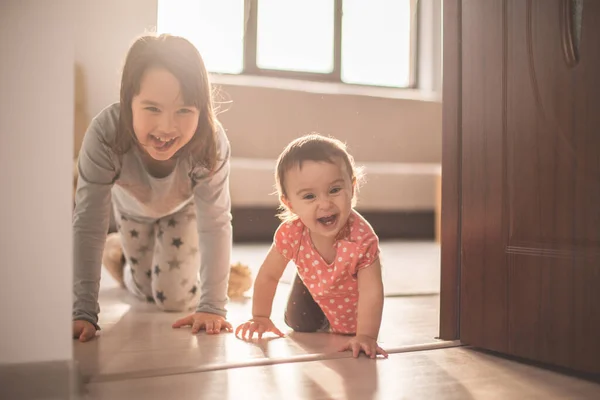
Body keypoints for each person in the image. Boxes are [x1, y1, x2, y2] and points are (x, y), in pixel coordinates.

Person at [72, 34, 234, 342]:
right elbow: (88, 222)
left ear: (201, 109)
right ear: (128, 100)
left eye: (184, 110)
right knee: (146, 291)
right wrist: (83, 311)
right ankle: (119, 257)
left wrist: (213, 305)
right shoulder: (105, 135)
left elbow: (215, 222)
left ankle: (146, 262)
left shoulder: (210, 142)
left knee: (171, 297)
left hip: (183, 211)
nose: (166, 128)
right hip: (132, 211)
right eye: (152, 109)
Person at [235, 134, 388, 359]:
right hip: (313, 290)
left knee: (350, 330)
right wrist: (260, 316)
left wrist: (366, 335)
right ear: (289, 204)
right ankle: (309, 276)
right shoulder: (292, 232)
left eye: (335, 190)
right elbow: (268, 275)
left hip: (351, 303)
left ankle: (317, 280)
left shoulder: (362, 240)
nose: (325, 204)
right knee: (298, 322)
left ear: (352, 187)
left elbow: (372, 292)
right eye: (309, 196)